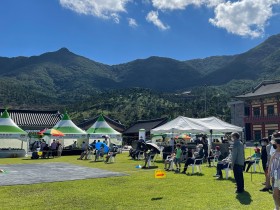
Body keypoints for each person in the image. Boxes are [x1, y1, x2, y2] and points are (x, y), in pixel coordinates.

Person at [269, 137, 280, 210]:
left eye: (275, 143)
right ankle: (277, 207)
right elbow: (271, 166)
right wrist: (271, 175)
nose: (274, 145)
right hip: (276, 177)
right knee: (275, 194)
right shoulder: (274, 153)